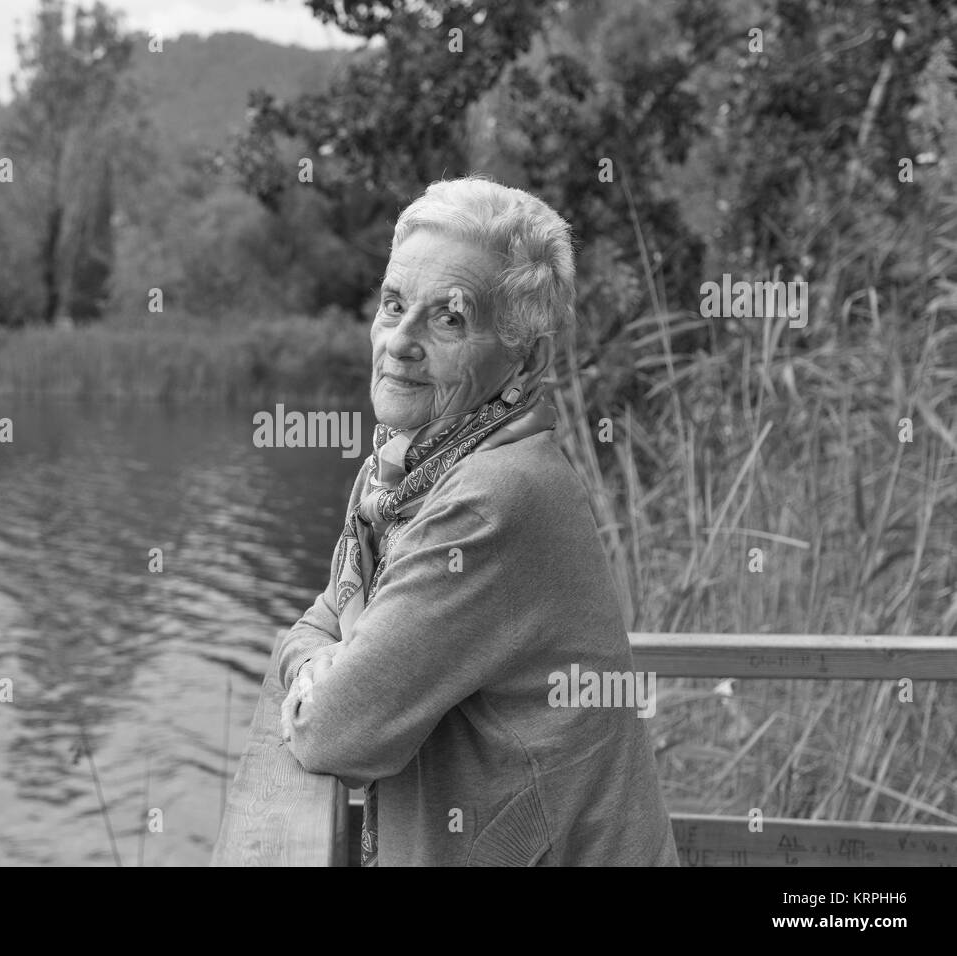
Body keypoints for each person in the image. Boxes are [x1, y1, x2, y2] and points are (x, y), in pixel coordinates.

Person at [276, 175, 678, 866]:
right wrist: (325, 663)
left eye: (449, 318)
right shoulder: (397, 477)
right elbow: (322, 620)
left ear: (527, 357)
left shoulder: (496, 496)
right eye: (394, 305)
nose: (400, 341)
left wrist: (324, 675)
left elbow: (336, 734)